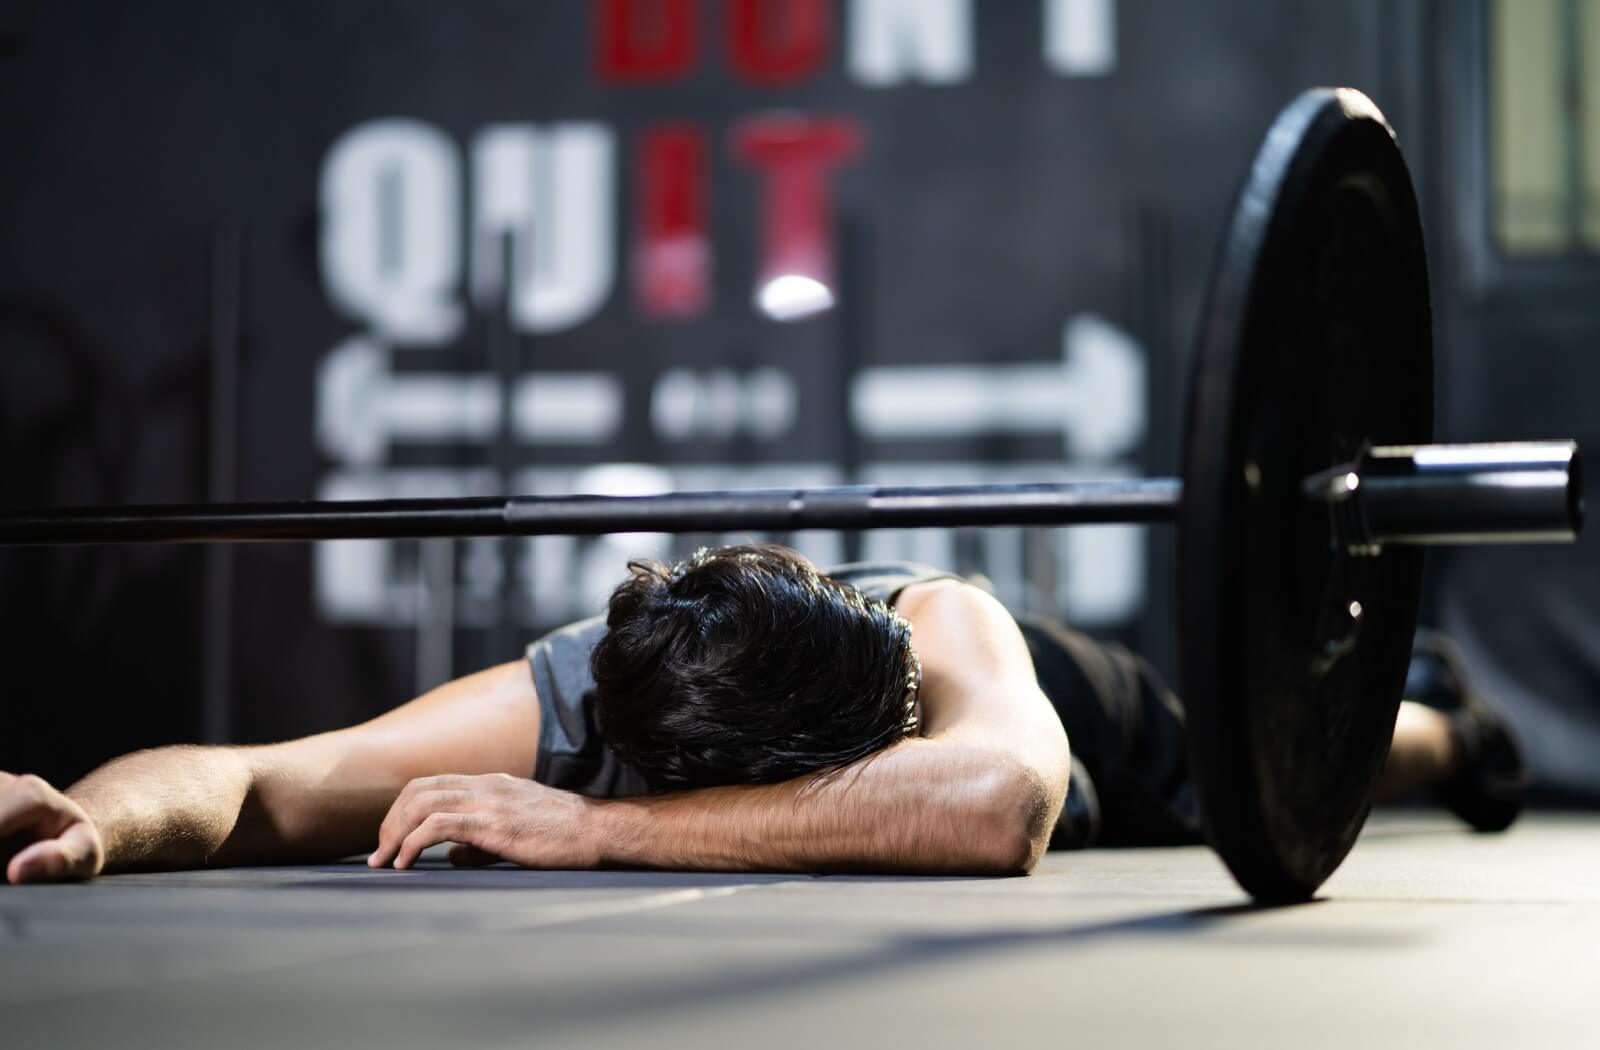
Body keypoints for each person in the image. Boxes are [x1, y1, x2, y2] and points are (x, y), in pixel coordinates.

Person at [0, 544, 1521, 885]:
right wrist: (96, 813)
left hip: (1104, 734)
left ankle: (1445, 720)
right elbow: (264, 779)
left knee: (1280, 760)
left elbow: (995, 807)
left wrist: (600, 832)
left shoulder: (952, 631)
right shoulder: (580, 681)